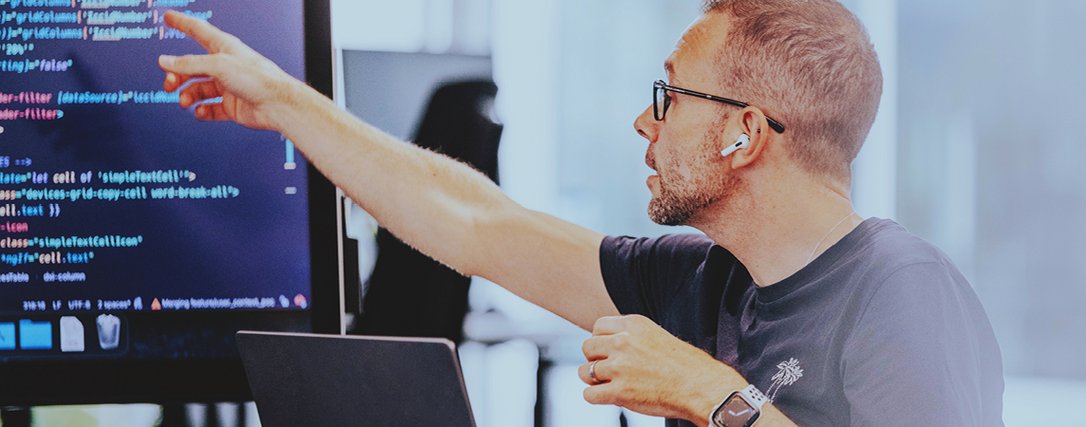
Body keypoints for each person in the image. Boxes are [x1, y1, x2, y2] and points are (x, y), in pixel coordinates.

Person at [156, 0, 1004, 425]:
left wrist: (712, 392)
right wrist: (284, 102)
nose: (644, 121)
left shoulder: (904, 290)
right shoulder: (702, 279)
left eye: (669, 96)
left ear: (745, 133)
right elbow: (473, 222)